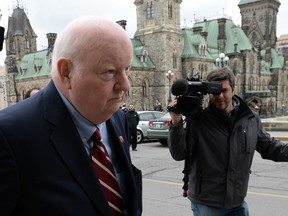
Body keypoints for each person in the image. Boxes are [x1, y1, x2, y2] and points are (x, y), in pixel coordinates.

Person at [0, 16, 142, 216]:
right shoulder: (9, 136)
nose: (126, 85)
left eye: (127, 69)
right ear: (66, 72)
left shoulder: (116, 118)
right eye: (109, 72)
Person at [168, 67, 288, 216]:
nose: (220, 96)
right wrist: (176, 121)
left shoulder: (250, 119)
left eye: (224, 90)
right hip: (207, 203)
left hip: (237, 202)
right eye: (215, 92)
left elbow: (270, 147)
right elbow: (179, 153)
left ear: (233, 89)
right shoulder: (199, 120)